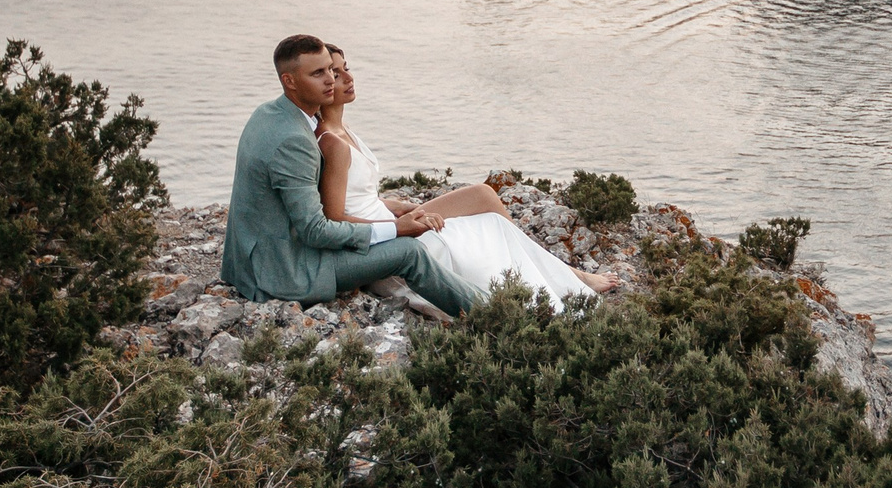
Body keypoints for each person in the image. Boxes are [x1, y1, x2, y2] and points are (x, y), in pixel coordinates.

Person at [318, 46, 611, 309]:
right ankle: (565, 280)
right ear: (322, 83)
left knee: (483, 197)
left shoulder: (345, 133)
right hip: (380, 238)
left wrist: (394, 204)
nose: (346, 76)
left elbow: (354, 193)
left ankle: (564, 274)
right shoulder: (330, 141)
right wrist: (396, 226)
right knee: (487, 231)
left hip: (388, 218)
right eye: (335, 72)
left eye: (346, 67)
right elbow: (333, 216)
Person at [221, 34, 466, 315]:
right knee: (410, 253)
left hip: (250, 261)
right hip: (285, 272)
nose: (329, 80)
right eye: (317, 73)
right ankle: (491, 316)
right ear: (289, 81)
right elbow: (315, 231)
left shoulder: (267, 113)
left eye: (330, 69)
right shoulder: (294, 140)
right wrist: (397, 228)